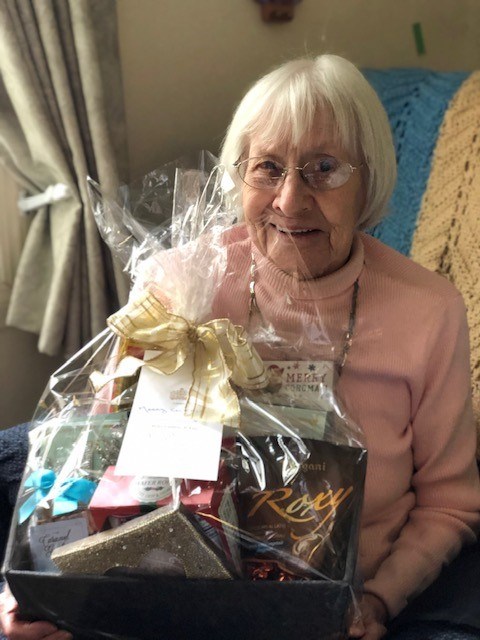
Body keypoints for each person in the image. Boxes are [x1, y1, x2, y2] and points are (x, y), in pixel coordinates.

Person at [1, 54, 479, 640]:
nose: (290, 200)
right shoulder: (181, 284)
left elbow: (450, 503)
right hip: (174, 590)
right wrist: (44, 591)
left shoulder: (428, 311)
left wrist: (379, 601)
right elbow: (92, 463)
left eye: (324, 168)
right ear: (238, 177)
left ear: (369, 179)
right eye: (268, 168)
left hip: (347, 604)